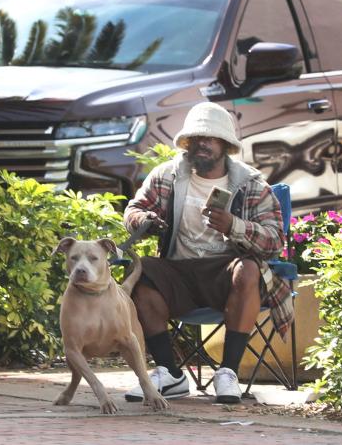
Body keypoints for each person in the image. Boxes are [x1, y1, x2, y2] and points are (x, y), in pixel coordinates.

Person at [121, 102, 289, 404]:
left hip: (226, 274)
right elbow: (133, 210)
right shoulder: (167, 175)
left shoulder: (251, 184)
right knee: (140, 270)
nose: (202, 144)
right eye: (196, 138)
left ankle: (228, 373)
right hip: (179, 271)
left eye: (209, 138)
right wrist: (145, 221)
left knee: (249, 268)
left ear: (225, 145)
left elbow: (275, 241)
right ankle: (169, 372)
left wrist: (234, 226)